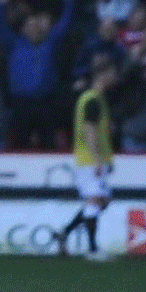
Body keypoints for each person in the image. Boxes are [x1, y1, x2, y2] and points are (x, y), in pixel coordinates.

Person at [62, 60, 115, 260]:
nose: (114, 77)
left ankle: (65, 233)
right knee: (95, 201)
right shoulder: (92, 99)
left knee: (102, 200)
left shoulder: (93, 98)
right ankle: (92, 249)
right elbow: (90, 129)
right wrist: (98, 158)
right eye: (112, 72)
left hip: (89, 158)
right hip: (90, 159)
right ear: (103, 75)